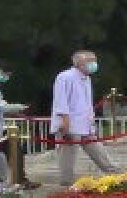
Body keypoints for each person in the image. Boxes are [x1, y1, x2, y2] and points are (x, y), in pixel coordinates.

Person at [51, 50, 120, 185]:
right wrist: (65, 122)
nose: (94, 64)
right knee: (67, 160)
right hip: (69, 125)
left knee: (99, 152)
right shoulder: (65, 77)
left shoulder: (86, 78)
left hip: (86, 125)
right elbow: (61, 100)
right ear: (79, 63)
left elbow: (86, 103)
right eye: (90, 61)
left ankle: (116, 175)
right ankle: (67, 184)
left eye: (94, 60)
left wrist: (91, 122)